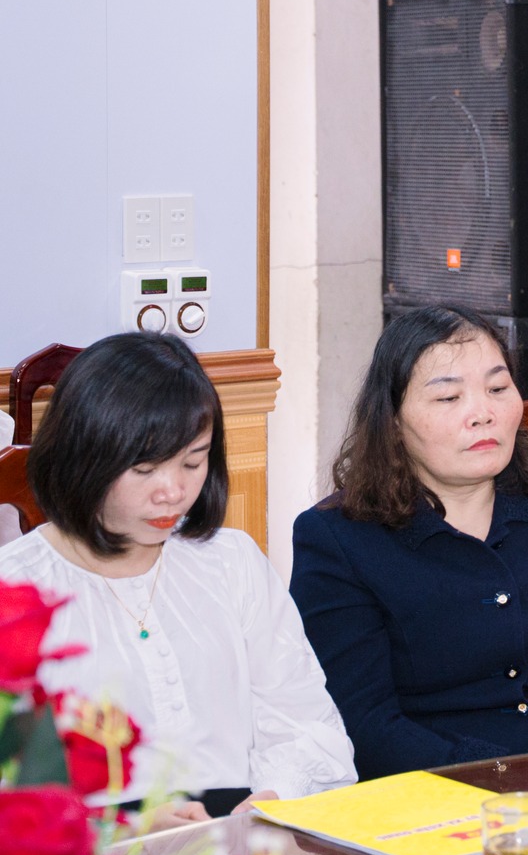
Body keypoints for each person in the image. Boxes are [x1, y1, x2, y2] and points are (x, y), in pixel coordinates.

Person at [291, 306, 528, 779]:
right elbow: (364, 724)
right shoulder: (337, 538)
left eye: (497, 389)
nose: (483, 414)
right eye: (448, 397)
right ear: (393, 421)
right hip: (437, 790)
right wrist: (502, 780)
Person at [0, 333, 354, 820]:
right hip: (89, 852)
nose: (173, 491)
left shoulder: (230, 561)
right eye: (145, 469)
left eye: (193, 461)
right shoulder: (15, 593)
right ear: (82, 457)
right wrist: (125, 831)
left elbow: (307, 724)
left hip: (242, 833)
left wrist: (266, 804)